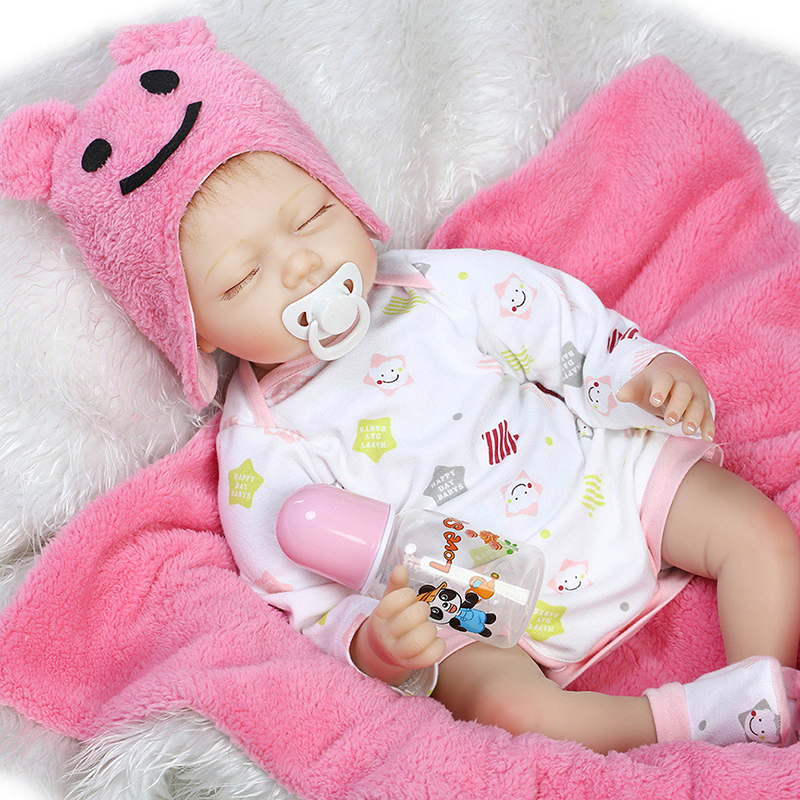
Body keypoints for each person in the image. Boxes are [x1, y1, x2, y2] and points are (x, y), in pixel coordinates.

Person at [1, 17, 798, 754]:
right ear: (196, 333)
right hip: (477, 595)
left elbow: (555, 323)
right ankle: (684, 722)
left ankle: (762, 687)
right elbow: (304, 597)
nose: (303, 265)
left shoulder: (430, 286)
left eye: (312, 217)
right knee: (504, 705)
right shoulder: (263, 450)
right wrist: (374, 642)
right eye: (244, 278)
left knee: (753, 532)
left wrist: (640, 372)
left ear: (342, 194)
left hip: (598, 479)